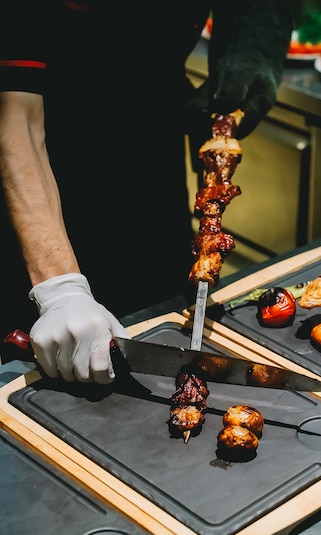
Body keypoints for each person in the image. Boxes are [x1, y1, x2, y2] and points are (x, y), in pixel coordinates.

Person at [0, 1, 292, 384]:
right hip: (46, 167)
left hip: (152, 141)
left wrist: (251, 43)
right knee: (56, 360)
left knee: (162, 317)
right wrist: (60, 289)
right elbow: (15, 117)